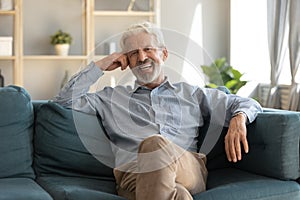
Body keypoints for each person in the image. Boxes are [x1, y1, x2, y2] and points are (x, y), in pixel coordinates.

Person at [54, 22, 262, 200]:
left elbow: (248, 103)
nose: (142, 57)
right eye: (133, 53)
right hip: (134, 177)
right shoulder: (111, 98)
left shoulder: (191, 93)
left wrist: (238, 118)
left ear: (164, 53)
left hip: (188, 170)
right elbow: (63, 101)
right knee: (178, 195)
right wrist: (99, 66)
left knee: (155, 144)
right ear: (126, 61)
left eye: (148, 49)